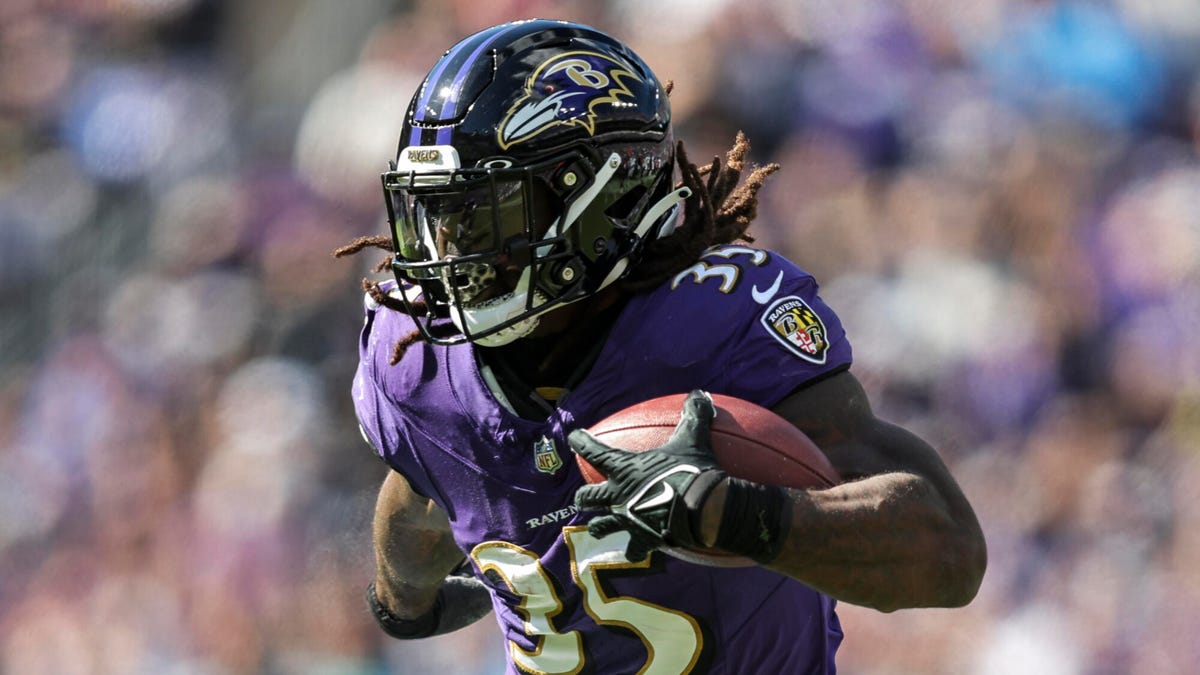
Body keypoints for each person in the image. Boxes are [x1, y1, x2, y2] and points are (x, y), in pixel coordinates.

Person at [336, 18, 986, 674]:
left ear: (599, 199)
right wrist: (404, 600)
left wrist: (735, 515)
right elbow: (425, 488)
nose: (452, 255)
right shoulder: (418, 364)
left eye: (484, 216)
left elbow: (948, 553)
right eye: (439, 218)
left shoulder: (716, 330)